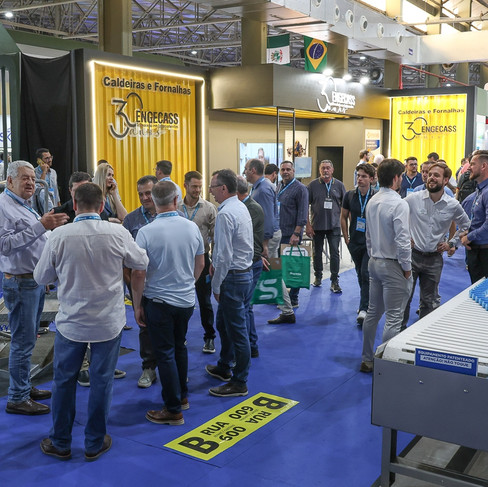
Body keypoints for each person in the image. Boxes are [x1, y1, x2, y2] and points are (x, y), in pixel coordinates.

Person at [34, 182, 148, 460]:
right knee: (102, 381)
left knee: (64, 381)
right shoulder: (117, 232)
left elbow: (41, 277)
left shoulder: (59, 235)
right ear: (101, 206)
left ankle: (60, 441)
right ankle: (94, 442)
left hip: (71, 323)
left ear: (74, 205)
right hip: (108, 322)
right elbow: (141, 261)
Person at [132, 181, 204, 425]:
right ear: (176, 200)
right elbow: (200, 263)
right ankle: (181, 397)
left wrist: (137, 304)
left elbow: (138, 272)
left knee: (164, 353)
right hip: (186, 300)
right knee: (179, 347)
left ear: (153, 201)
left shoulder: (146, 232)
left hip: (158, 301)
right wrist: (188, 283)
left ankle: (173, 409)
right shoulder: (192, 227)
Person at [0, 161, 69, 416]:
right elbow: (4, 245)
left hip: (33, 281)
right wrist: (42, 225)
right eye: (24, 178)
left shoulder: (22, 204)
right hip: (21, 283)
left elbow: (34, 240)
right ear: (9, 181)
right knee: (22, 341)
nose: (31, 182)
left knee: (29, 339)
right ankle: (17, 397)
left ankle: (24, 387)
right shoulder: (3, 206)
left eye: (32, 177)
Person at [402, 163, 470, 328]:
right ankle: (398, 333)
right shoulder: (413, 199)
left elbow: (466, 225)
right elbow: (396, 215)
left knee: (429, 302)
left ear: (446, 180)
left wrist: (451, 243)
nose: (431, 178)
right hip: (412, 257)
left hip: (434, 260)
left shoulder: (452, 204)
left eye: (436, 175)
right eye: (430, 174)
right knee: (404, 298)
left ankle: (422, 335)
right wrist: (404, 237)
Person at [360, 159, 412, 373]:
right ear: (396, 178)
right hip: (392, 264)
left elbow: (368, 237)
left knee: (373, 313)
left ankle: (367, 359)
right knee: (394, 317)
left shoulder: (372, 200)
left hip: (374, 261)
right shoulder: (399, 204)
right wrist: (407, 268)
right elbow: (403, 240)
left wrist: (373, 255)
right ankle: (386, 365)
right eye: (401, 176)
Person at [205, 169, 253, 397]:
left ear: (223, 188)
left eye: (213, 187)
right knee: (224, 324)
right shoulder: (240, 206)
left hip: (232, 277)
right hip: (242, 274)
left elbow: (224, 255)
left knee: (237, 331)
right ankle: (225, 365)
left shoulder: (225, 214)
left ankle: (239, 381)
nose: (210, 192)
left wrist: (216, 286)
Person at [122, 175, 159, 388]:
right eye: (141, 194)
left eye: (149, 193)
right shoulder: (131, 220)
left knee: (172, 331)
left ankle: (173, 370)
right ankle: (148, 368)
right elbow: (125, 260)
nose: (145, 198)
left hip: (167, 284)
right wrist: (132, 287)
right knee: (144, 327)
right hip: (141, 285)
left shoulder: (174, 216)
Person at [178, 170, 218, 354]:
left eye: (200, 187)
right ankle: (180, 336)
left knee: (204, 301)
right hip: (180, 261)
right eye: (194, 186)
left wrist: (214, 261)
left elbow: (215, 237)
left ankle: (209, 337)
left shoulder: (209, 208)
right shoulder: (176, 208)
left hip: (202, 260)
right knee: (179, 301)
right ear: (185, 185)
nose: (197, 190)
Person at [341, 163, 377, 325]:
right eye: (358, 176)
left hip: (370, 243)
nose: (360, 179)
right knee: (359, 273)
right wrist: (346, 238)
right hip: (354, 241)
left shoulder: (376, 197)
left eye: (363, 176)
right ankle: (366, 301)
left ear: (371, 179)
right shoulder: (349, 195)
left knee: (365, 273)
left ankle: (364, 308)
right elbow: (343, 217)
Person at [236, 175, 265, 358]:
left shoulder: (251, 208)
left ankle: (249, 346)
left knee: (244, 307)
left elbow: (247, 240)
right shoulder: (246, 207)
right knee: (246, 307)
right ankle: (251, 345)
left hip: (250, 263)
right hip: (252, 261)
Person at [306, 160, 345, 292]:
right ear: (319, 170)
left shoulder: (339, 185)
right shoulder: (312, 185)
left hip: (334, 225)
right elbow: (305, 206)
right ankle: (318, 277)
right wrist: (308, 225)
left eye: (328, 168)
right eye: (323, 168)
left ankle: (334, 281)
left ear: (332, 170)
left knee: (334, 253)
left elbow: (345, 206)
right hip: (317, 225)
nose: (325, 170)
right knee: (316, 253)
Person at [277, 161, 308, 307]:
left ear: (293, 171)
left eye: (288, 169)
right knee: (281, 267)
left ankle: (293, 298)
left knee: (294, 267)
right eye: (283, 169)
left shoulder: (300, 189)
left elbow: (302, 212)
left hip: (291, 234)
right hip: (279, 233)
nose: (285, 172)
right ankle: (283, 296)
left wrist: (296, 233)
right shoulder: (279, 186)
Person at [460, 150, 488, 283]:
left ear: (484, 166)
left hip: (484, 254)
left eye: (472, 164)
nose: (468, 168)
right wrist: (467, 233)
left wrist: (469, 237)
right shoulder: (478, 191)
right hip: (476, 252)